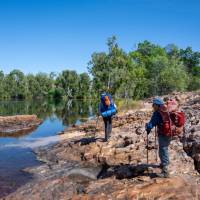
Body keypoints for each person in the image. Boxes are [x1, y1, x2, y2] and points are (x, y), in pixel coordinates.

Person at [145, 97, 171, 178]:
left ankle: (165, 171)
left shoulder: (157, 113)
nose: (153, 106)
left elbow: (151, 124)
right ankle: (164, 164)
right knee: (164, 149)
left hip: (164, 134)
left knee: (163, 150)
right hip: (170, 133)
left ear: (157, 105)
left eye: (154, 105)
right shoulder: (166, 110)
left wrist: (147, 128)